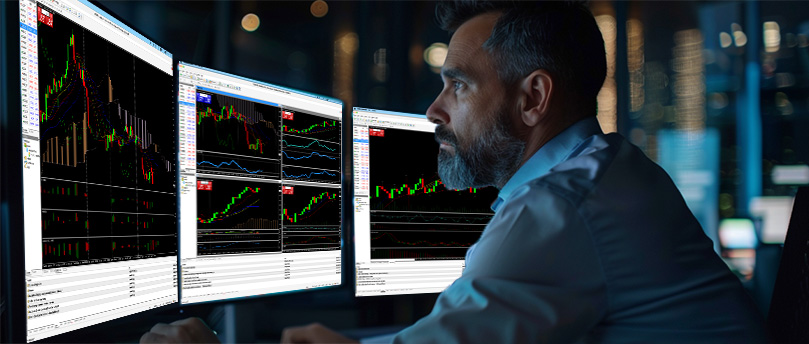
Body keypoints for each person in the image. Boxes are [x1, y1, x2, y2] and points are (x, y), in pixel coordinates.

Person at [142, 1, 767, 343]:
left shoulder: (561, 206)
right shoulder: (609, 171)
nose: (434, 110)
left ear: (533, 99)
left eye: (458, 85)